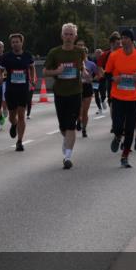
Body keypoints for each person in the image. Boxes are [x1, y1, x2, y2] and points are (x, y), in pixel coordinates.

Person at [104, 29, 136, 168]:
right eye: (121, 38)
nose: (122, 40)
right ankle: (118, 136)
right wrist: (114, 78)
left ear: (131, 40)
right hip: (118, 96)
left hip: (133, 97)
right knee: (118, 126)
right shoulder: (114, 56)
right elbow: (107, 74)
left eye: (125, 38)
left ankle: (125, 156)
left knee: (130, 128)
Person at [43, 23, 86, 169]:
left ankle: (67, 157)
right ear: (62, 36)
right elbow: (45, 72)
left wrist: (85, 72)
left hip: (75, 92)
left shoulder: (80, 52)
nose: (68, 37)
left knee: (71, 125)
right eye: (66, 34)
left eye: (71, 34)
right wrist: (57, 72)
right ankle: (66, 141)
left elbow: (82, 67)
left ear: (75, 36)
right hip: (60, 92)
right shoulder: (54, 53)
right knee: (63, 126)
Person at [1, 33, 35, 151]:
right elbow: (1, 70)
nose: (15, 44)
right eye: (13, 42)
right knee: (12, 116)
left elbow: (32, 67)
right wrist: (0, 78)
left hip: (23, 89)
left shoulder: (27, 55)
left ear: (22, 43)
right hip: (11, 89)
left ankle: (19, 141)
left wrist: (32, 79)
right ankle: (13, 124)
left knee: (21, 115)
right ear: (11, 44)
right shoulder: (6, 57)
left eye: (17, 41)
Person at [78, 45, 100, 138]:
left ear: (87, 54)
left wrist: (92, 79)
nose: (82, 55)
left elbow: (99, 74)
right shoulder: (76, 63)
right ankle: (79, 120)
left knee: (85, 111)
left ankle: (84, 129)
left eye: (84, 53)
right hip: (77, 87)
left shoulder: (91, 64)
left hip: (87, 87)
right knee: (79, 109)